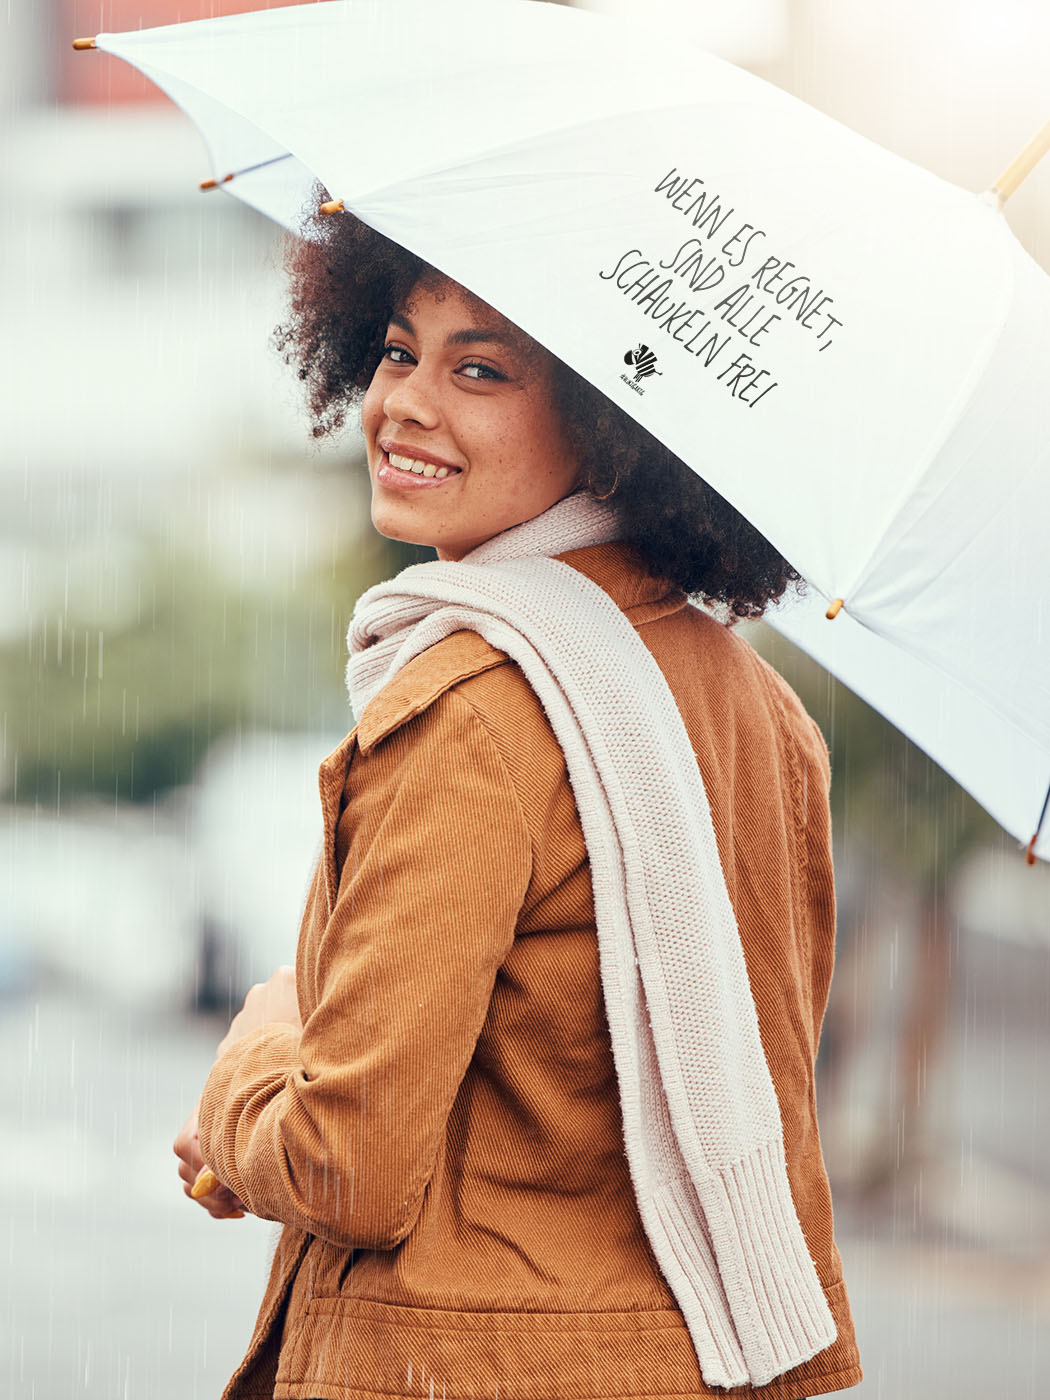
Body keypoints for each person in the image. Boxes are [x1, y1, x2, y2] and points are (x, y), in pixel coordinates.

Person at [174, 212, 862, 1400]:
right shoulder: (759, 710)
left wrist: (252, 1065)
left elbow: (350, 1161)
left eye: (480, 368)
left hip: (460, 1363)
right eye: (398, 350)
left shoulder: (473, 706)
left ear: (610, 434)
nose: (406, 404)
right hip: (693, 1359)